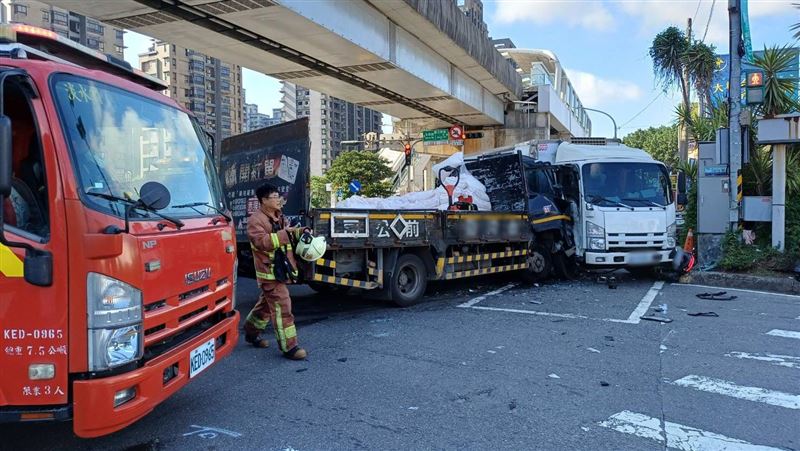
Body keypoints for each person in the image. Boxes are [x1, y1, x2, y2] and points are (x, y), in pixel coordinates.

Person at [243, 183, 307, 360]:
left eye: (279, 196)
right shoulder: (256, 220)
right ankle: (290, 347)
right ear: (264, 200)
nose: (279, 200)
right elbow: (262, 242)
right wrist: (286, 234)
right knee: (282, 306)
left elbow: (287, 235)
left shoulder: (278, 216)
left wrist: (302, 232)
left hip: (279, 270)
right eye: (274, 197)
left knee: (265, 306)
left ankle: (251, 332)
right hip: (269, 273)